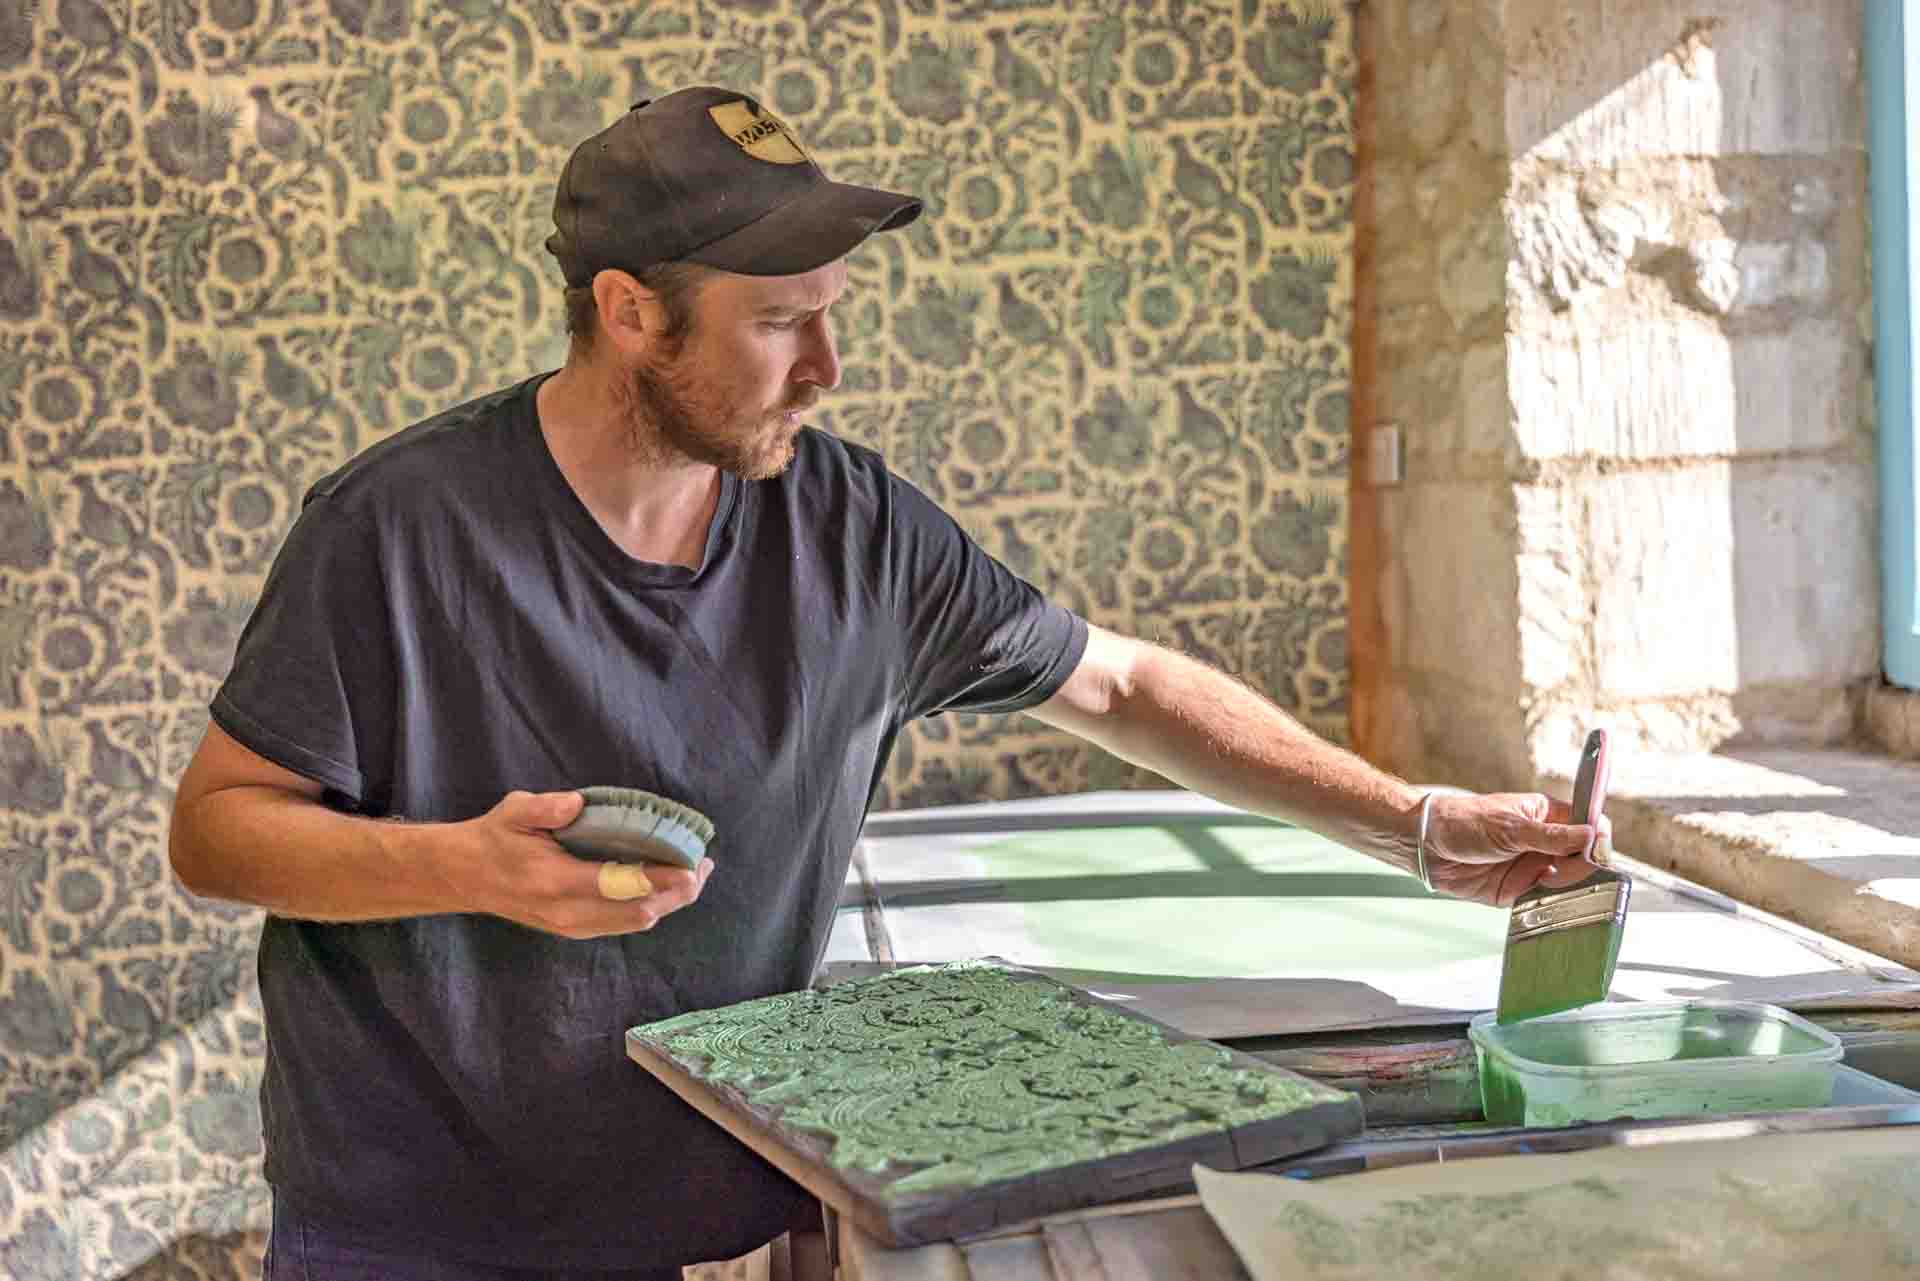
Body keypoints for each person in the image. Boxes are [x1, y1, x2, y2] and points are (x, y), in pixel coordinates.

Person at [168, 86, 1605, 1280]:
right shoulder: (396, 529)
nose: (829, 365)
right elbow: (219, 829)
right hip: (422, 1231)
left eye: (833, 311)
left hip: (716, 1214)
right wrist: (462, 866)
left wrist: (1412, 822)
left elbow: (1114, 684)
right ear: (629, 312)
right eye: (781, 320)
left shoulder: (855, 530)